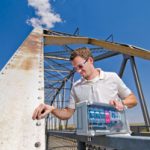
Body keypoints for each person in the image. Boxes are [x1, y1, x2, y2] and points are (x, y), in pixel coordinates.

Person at [32, 47, 137, 121]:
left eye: (80, 66)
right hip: (93, 141)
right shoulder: (76, 87)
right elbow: (68, 113)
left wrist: (122, 103)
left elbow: (133, 100)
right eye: (75, 68)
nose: (78, 71)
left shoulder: (112, 77)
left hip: (117, 136)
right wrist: (52, 109)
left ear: (90, 60)